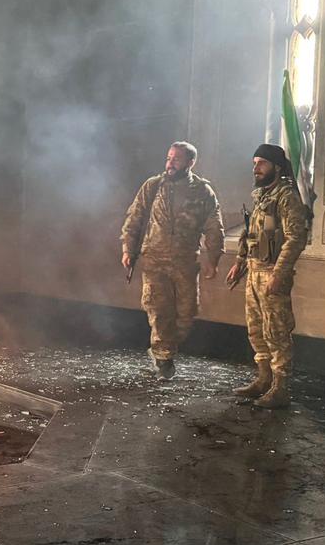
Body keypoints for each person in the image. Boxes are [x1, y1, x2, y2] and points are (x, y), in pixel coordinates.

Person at [121, 141, 224, 378]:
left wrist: (214, 257)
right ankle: (163, 357)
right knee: (158, 310)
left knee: (186, 313)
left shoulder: (202, 191)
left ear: (190, 162)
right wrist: (128, 249)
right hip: (154, 259)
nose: (170, 163)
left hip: (186, 261)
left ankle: (168, 346)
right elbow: (135, 217)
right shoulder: (153, 186)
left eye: (176, 159)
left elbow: (213, 226)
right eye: (168, 158)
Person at [225, 143, 308, 409]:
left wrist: (279, 273)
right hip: (255, 270)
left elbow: (295, 238)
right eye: (254, 163)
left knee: (277, 330)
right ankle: (263, 379)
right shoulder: (262, 196)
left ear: (277, 167)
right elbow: (252, 232)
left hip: (272, 273)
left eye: (261, 163)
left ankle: (280, 388)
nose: (256, 168)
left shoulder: (287, 197)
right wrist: (240, 261)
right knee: (256, 329)